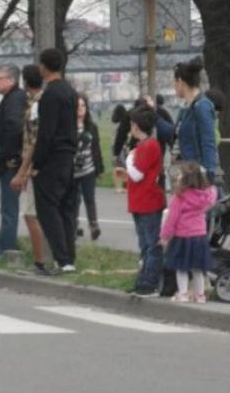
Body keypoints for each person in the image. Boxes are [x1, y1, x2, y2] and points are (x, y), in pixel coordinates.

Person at [32, 48, 77, 273]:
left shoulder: (49, 95)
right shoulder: (70, 91)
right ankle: (69, 258)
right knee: (66, 210)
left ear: (44, 66)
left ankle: (61, 259)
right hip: (68, 156)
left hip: (52, 158)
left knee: (48, 210)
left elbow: (46, 133)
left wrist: (37, 163)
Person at [116, 105, 166, 297]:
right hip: (141, 202)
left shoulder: (148, 146)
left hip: (148, 202)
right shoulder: (145, 146)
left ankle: (150, 283)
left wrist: (129, 159)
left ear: (136, 126)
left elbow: (137, 175)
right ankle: (143, 280)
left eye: (131, 123)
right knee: (145, 245)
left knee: (151, 245)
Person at [0, 64, 27, 262]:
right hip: (9, 163)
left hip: (11, 165)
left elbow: (15, 128)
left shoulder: (14, 99)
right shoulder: (11, 98)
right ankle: (6, 245)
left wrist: (10, 157)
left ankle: (5, 249)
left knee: (9, 209)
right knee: (8, 208)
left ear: (11, 80)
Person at [160, 161, 216, 303]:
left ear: (185, 179)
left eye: (179, 174)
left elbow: (171, 219)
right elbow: (213, 191)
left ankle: (183, 294)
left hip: (183, 237)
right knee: (198, 269)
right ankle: (200, 295)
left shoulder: (180, 197)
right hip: (200, 236)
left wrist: (164, 236)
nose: (177, 176)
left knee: (181, 268)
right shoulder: (205, 196)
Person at [158, 57, 219, 189]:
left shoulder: (202, 106)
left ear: (180, 82)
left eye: (174, 82)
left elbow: (208, 142)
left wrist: (208, 177)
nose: (174, 87)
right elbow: (175, 136)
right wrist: (155, 116)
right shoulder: (187, 107)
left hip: (197, 178)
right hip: (187, 175)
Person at [10, 64, 48, 275]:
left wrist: (22, 172)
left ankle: (40, 261)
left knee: (30, 214)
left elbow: (33, 141)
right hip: (42, 166)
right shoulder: (44, 101)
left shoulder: (35, 106)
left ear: (25, 82)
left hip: (33, 168)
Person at [73, 93, 104, 241]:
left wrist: (100, 169)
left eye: (83, 106)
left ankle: (93, 225)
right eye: (77, 106)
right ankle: (74, 225)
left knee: (89, 198)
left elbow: (96, 149)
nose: (80, 108)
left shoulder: (91, 127)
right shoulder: (68, 127)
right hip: (72, 172)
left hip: (88, 169)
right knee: (74, 199)